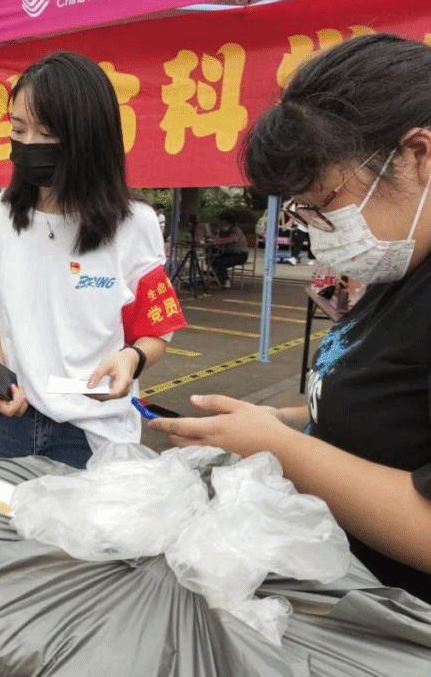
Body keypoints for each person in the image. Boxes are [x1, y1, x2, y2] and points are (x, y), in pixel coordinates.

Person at [149, 34, 431, 604]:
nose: (317, 227)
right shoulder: (402, 261)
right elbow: (396, 404)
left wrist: (280, 447)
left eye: (324, 202)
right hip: (346, 590)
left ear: (417, 155)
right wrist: (281, 418)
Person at [0, 51, 187, 467]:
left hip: (95, 432)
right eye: (19, 129)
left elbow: (156, 326)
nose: (29, 144)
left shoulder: (134, 223)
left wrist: (132, 359)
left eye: (46, 133)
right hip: (11, 424)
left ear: (87, 139)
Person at [207, 212, 249, 289]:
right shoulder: (223, 230)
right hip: (229, 253)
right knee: (212, 259)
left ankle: (226, 281)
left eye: (223, 221)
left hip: (240, 254)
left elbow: (232, 240)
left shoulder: (236, 230)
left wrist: (219, 241)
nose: (221, 223)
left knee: (220, 262)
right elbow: (215, 237)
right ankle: (219, 277)